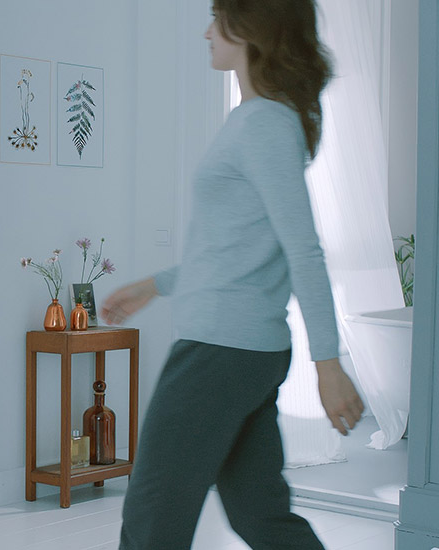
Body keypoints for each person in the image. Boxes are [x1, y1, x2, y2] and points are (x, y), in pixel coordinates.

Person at [100, 1, 365, 548]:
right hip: (244, 350)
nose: (206, 32)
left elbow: (303, 251)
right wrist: (154, 285)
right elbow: (233, 251)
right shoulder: (255, 120)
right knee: (259, 514)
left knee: (153, 514)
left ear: (250, 28)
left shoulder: (264, 123)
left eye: (217, 18)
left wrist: (329, 363)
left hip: (218, 352)